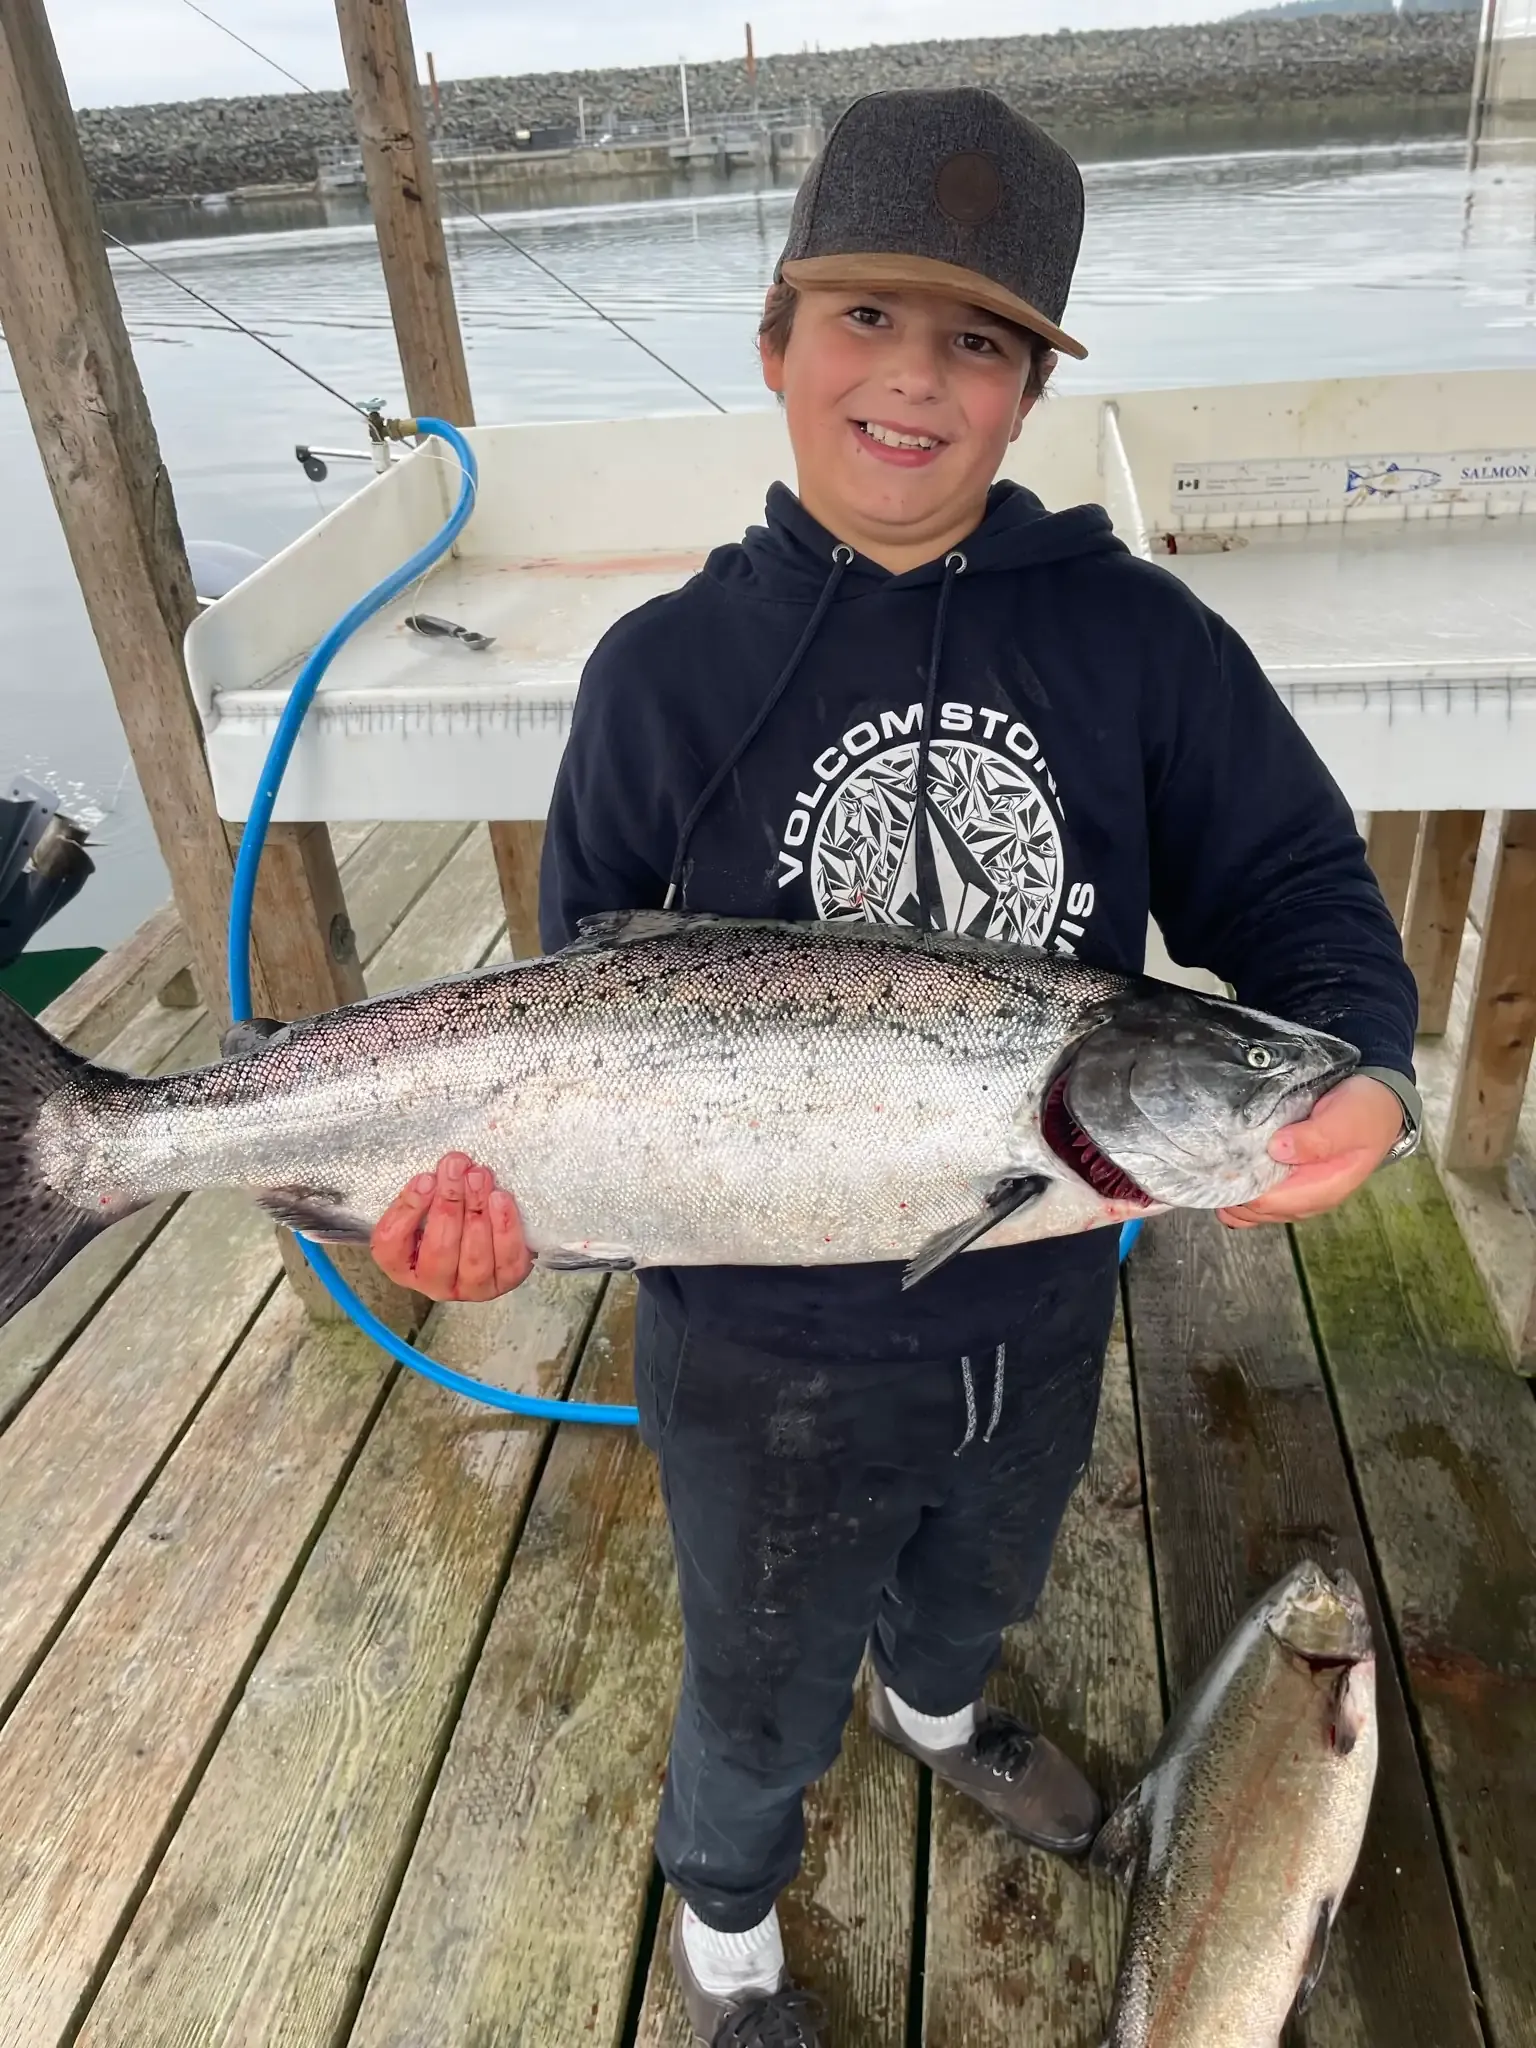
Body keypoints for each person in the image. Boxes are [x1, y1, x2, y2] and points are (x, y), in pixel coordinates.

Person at [372, 88, 1419, 2048]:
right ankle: (733, 1933)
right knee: (757, 1674)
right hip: (751, 1364)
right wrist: (481, 1219)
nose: (914, 381)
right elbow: (566, 1004)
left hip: (1031, 1305)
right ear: (775, 340)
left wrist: (1356, 1067)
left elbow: (1295, 892)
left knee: (981, 1572)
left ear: (1029, 388)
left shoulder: (1138, 641)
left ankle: (937, 1708)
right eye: (866, 319)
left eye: (980, 341)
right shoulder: (659, 674)